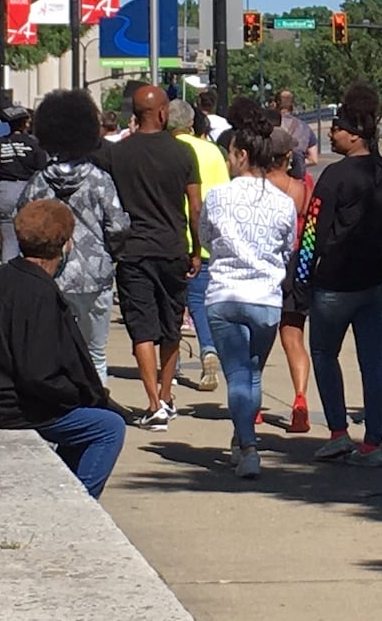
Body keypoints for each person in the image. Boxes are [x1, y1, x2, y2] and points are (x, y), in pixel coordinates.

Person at [0, 199, 125, 499]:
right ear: (65, 245)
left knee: (87, 419)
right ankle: (77, 504)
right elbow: (38, 374)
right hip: (10, 407)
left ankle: (58, 489)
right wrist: (81, 395)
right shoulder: (40, 293)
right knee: (108, 426)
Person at [295, 83, 382, 467]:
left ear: (354, 134)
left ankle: (339, 433)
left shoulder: (334, 177)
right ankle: (373, 442)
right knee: (374, 362)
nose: (332, 133)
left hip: (337, 284)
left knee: (325, 354)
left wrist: (302, 275)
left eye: (338, 127)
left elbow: (312, 228)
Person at [199, 100, 297, 479]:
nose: (228, 161)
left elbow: (207, 236)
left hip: (225, 294)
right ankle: (243, 439)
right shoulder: (282, 200)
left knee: (237, 376)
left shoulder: (219, 196)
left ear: (241, 155)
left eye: (230, 155)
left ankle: (248, 446)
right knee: (253, 375)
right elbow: (287, 245)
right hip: (266, 299)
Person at [107, 85, 202, 431]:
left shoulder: (118, 154)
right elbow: (195, 208)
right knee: (171, 324)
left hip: (133, 250)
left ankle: (152, 403)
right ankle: (166, 394)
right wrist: (196, 249)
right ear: (163, 113)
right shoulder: (183, 153)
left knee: (141, 328)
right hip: (172, 247)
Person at [20, 91, 130, 384]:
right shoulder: (100, 180)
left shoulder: (38, 182)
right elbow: (118, 226)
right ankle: (95, 404)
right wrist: (113, 253)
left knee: (55, 349)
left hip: (51, 276)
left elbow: (23, 224)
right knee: (95, 352)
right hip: (95, 276)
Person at [168, 99, 230, 392]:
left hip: (173, 236)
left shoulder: (168, 151)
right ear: (191, 123)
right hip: (207, 239)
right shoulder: (213, 152)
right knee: (199, 302)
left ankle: (172, 363)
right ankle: (208, 348)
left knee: (169, 305)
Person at [265, 125, 314, 432]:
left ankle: (252, 407)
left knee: (256, 342)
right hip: (296, 265)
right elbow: (310, 229)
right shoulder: (303, 185)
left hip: (265, 265)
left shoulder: (257, 185)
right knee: (294, 339)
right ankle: (300, 398)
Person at [0, 105, 48, 262]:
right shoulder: (35, 145)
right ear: (25, 123)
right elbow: (43, 173)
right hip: (29, 190)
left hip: (4, 190)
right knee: (31, 239)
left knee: (9, 239)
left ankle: (8, 271)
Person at [276, 89, 319, 182]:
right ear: (292, 105)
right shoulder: (304, 127)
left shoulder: (270, 125)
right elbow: (314, 159)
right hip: (297, 181)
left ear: (276, 104)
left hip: (275, 180)